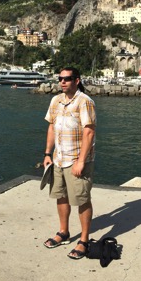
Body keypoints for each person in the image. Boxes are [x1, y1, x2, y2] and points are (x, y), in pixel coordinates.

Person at [41, 67, 97, 260]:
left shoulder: (85, 102)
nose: (62, 82)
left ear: (77, 80)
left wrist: (81, 161)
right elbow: (51, 127)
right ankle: (63, 232)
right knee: (61, 196)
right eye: (60, 78)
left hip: (77, 160)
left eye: (67, 79)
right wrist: (47, 153)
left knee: (82, 199)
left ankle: (84, 240)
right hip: (58, 159)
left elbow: (89, 132)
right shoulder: (55, 100)